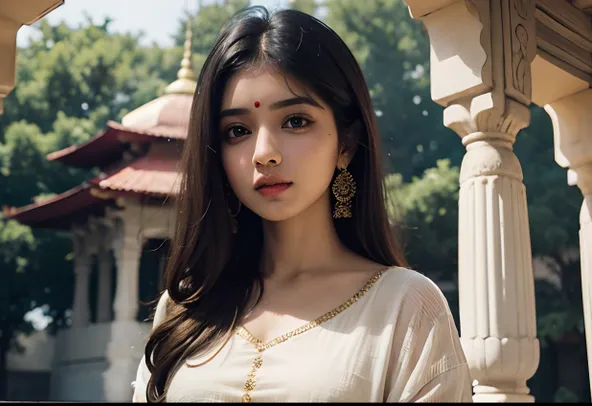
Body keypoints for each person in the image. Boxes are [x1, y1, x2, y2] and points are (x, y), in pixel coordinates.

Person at [132, 6, 472, 403]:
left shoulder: (405, 308)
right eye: (237, 130)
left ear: (345, 143)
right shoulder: (185, 309)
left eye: (295, 121)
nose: (264, 154)